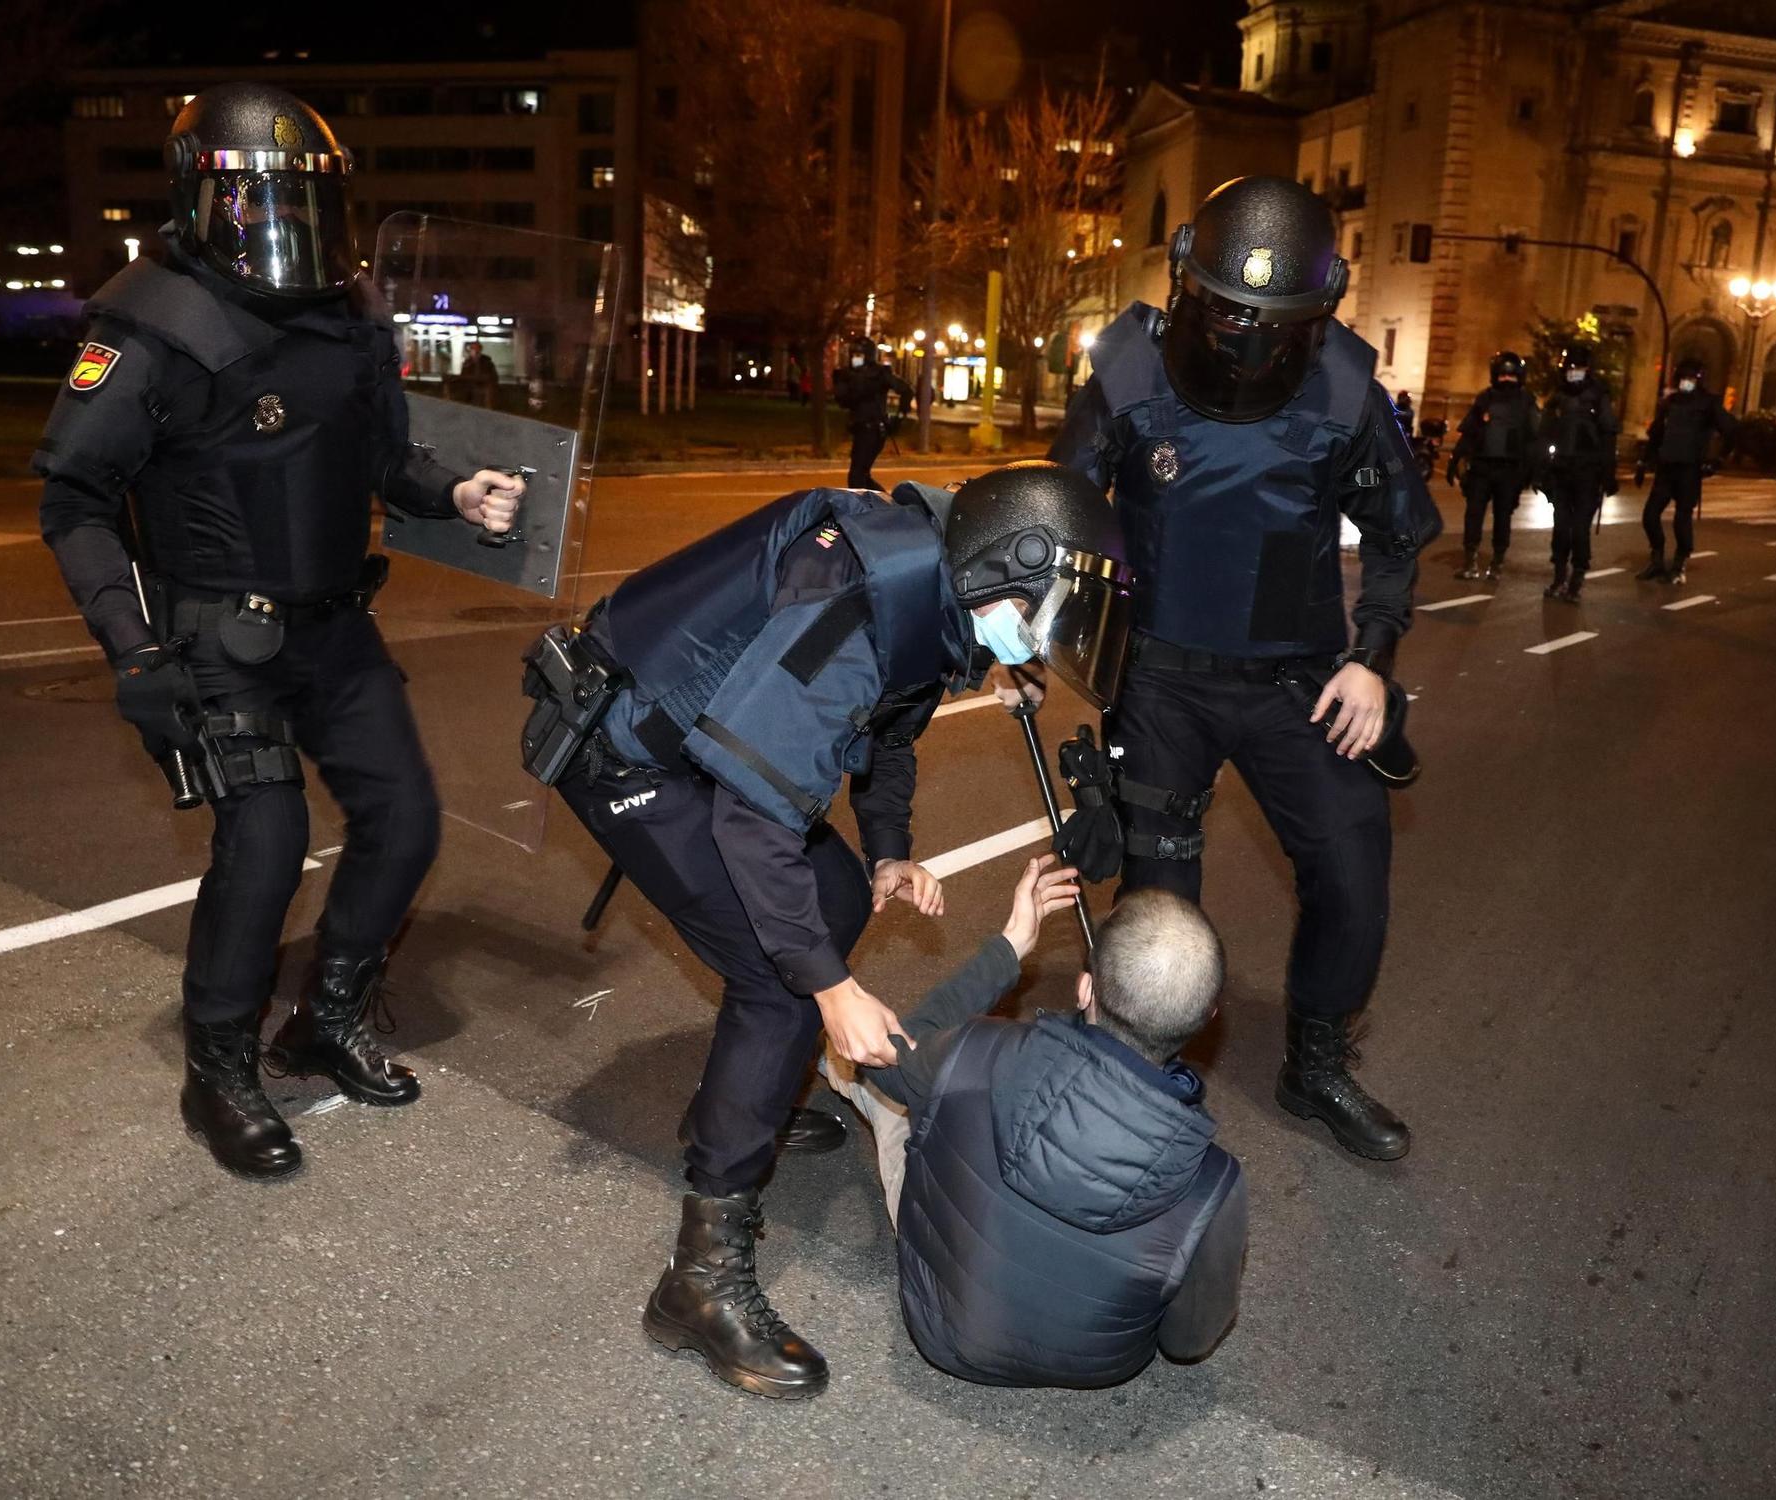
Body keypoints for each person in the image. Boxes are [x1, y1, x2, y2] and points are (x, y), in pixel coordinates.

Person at [534, 461, 1134, 1399]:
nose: (1034, 641)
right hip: (630, 751)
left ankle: (732, 1103)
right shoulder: (857, 601)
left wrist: (890, 849)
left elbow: (890, 732)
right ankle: (699, 1281)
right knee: (782, 983)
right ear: (1001, 567)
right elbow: (747, 818)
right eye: (1037, 612)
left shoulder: (939, 590)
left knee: (842, 898)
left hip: (708, 740)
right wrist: (830, 988)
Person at [33, 84, 525, 1181]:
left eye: (303, 209)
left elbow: (386, 460)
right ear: (204, 203)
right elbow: (71, 499)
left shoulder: (347, 319)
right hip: (215, 636)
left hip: (333, 626)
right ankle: (218, 1067)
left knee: (404, 821)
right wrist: (135, 650)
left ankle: (323, 1019)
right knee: (261, 847)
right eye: (260, 208)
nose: (285, 234)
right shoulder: (150, 322)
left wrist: (456, 492)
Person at [1049, 175, 1439, 1162]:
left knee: (1353, 871)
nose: (1244, 340)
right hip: (1162, 682)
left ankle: (1312, 1068)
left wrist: (1370, 662)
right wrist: (1031, 623)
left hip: (1295, 683)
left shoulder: (1347, 386)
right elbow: (1057, 511)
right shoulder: (1127, 369)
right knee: (1159, 914)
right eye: (1224, 312)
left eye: (1272, 321)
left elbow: (1396, 536)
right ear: (1183, 280)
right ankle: (1136, 1085)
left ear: (1319, 313)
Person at [822, 863, 1249, 1388]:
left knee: (894, 1094)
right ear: (1207, 1019)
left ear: (1085, 988)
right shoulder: (1214, 1181)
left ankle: (829, 1063)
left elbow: (890, 1050)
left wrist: (1010, 946)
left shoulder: (982, 1052)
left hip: (942, 1323)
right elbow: (1188, 1341)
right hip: (1093, 1366)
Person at [1635, 357, 1737, 586]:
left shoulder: (1708, 404)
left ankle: (1679, 564)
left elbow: (1731, 430)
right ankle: (1657, 558)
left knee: (1682, 520)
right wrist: (1643, 462)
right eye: (1682, 378)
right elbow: (1656, 435)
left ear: (1698, 380)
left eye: (1690, 378)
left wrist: (1717, 460)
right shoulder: (1670, 403)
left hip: (1689, 470)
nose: (1685, 382)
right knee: (1650, 516)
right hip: (1666, 467)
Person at [1534, 341, 1619, 604]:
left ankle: (1577, 577)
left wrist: (1608, 473)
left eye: (1578, 368)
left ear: (1587, 369)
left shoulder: (1599, 396)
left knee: (1580, 530)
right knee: (1561, 528)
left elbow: (1608, 435)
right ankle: (1559, 575)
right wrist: (1539, 470)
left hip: (1588, 473)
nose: (1573, 372)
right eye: (1570, 367)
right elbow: (1543, 433)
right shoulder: (1558, 396)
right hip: (1561, 471)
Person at [1446, 350, 1539, 582]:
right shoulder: (1485, 398)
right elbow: (1469, 432)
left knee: (1502, 516)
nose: (1506, 379)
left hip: (1510, 471)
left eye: (1511, 376)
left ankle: (1497, 561)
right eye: (1502, 375)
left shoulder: (1526, 402)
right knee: (1474, 513)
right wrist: (1455, 459)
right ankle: (1470, 560)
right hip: (1481, 468)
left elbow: (1535, 438)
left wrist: (1536, 471)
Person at [831, 336, 914, 490]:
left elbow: (906, 390)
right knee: (862, 475)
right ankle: (884, 505)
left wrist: (899, 417)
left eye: (859, 354)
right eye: (853, 354)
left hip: (874, 429)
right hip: (860, 429)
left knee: (857, 476)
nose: (855, 358)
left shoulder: (879, 373)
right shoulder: (849, 375)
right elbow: (842, 400)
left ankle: (871, 509)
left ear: (868, 355)